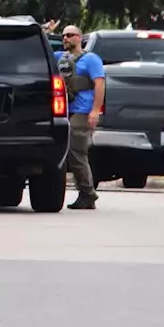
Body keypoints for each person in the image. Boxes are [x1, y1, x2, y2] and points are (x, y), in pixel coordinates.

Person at [60, 25, 106, 210]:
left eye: (70, 35)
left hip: (82, 111)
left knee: (76, 152)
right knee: (69, 152)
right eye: (63, 35)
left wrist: (95, 110)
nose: (65, 38)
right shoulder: (60, 58)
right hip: (64, 111)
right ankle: (85, 193)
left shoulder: (91, 59)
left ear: (79, 38)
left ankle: (88, 193)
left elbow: (100, 84)